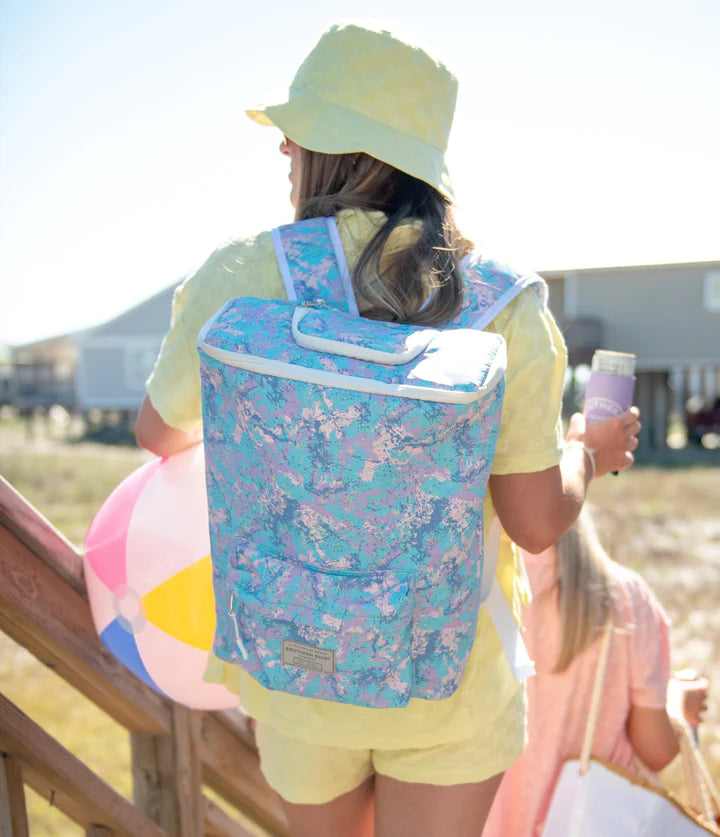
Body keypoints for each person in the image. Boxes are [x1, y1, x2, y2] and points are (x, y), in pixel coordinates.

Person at [135, 23, 640, 837]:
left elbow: (160, 435)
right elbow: (536, 523)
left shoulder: (241, 277)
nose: (284, 151)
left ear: (336, 150)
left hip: (294, 661)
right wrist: (591, 449)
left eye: (297, 134)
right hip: (446, 675)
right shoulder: (504, 306)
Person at [482, 511, 708, 837]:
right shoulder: (626, 597)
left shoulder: (471, 589)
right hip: (591, 823)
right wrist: (679, 704)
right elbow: (656, 752)